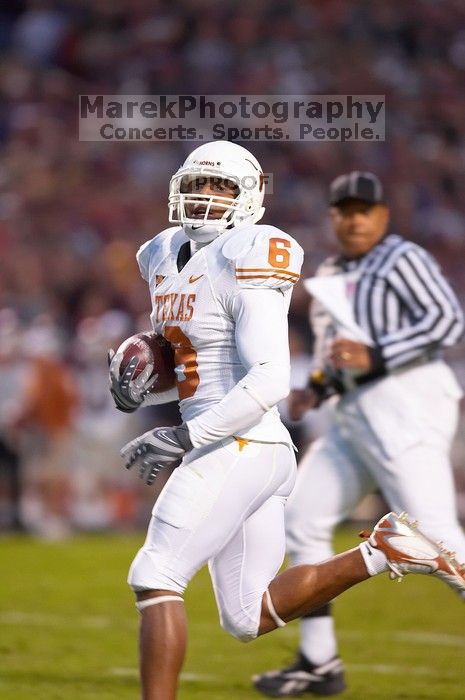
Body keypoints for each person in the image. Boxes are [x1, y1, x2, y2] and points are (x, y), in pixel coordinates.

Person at [108, 148, 465, 700]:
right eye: (198, 183)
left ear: (247, 196)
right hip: (249, 446)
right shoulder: (158, 252)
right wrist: (141, 383)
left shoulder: (249, 253)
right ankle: (385, 549)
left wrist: (184, 435)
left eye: (221, 187)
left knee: (155, 575)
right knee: (248, 617)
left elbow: (271, 375)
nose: (206, 196)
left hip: (240, 441)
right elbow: (194, 360)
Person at [253, 171, 465, 697]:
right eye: (344, 211)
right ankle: (319, 662)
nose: (353, 220)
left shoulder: (400, 257)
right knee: (301, 519)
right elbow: (341, 353)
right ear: (333, 217)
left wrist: (377, 355)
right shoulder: (328, 270)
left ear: (382, 215)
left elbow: (448, 320)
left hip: (404, 406)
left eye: (363, 210)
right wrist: (316, 389)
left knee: (437, 538)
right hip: (354, 415)